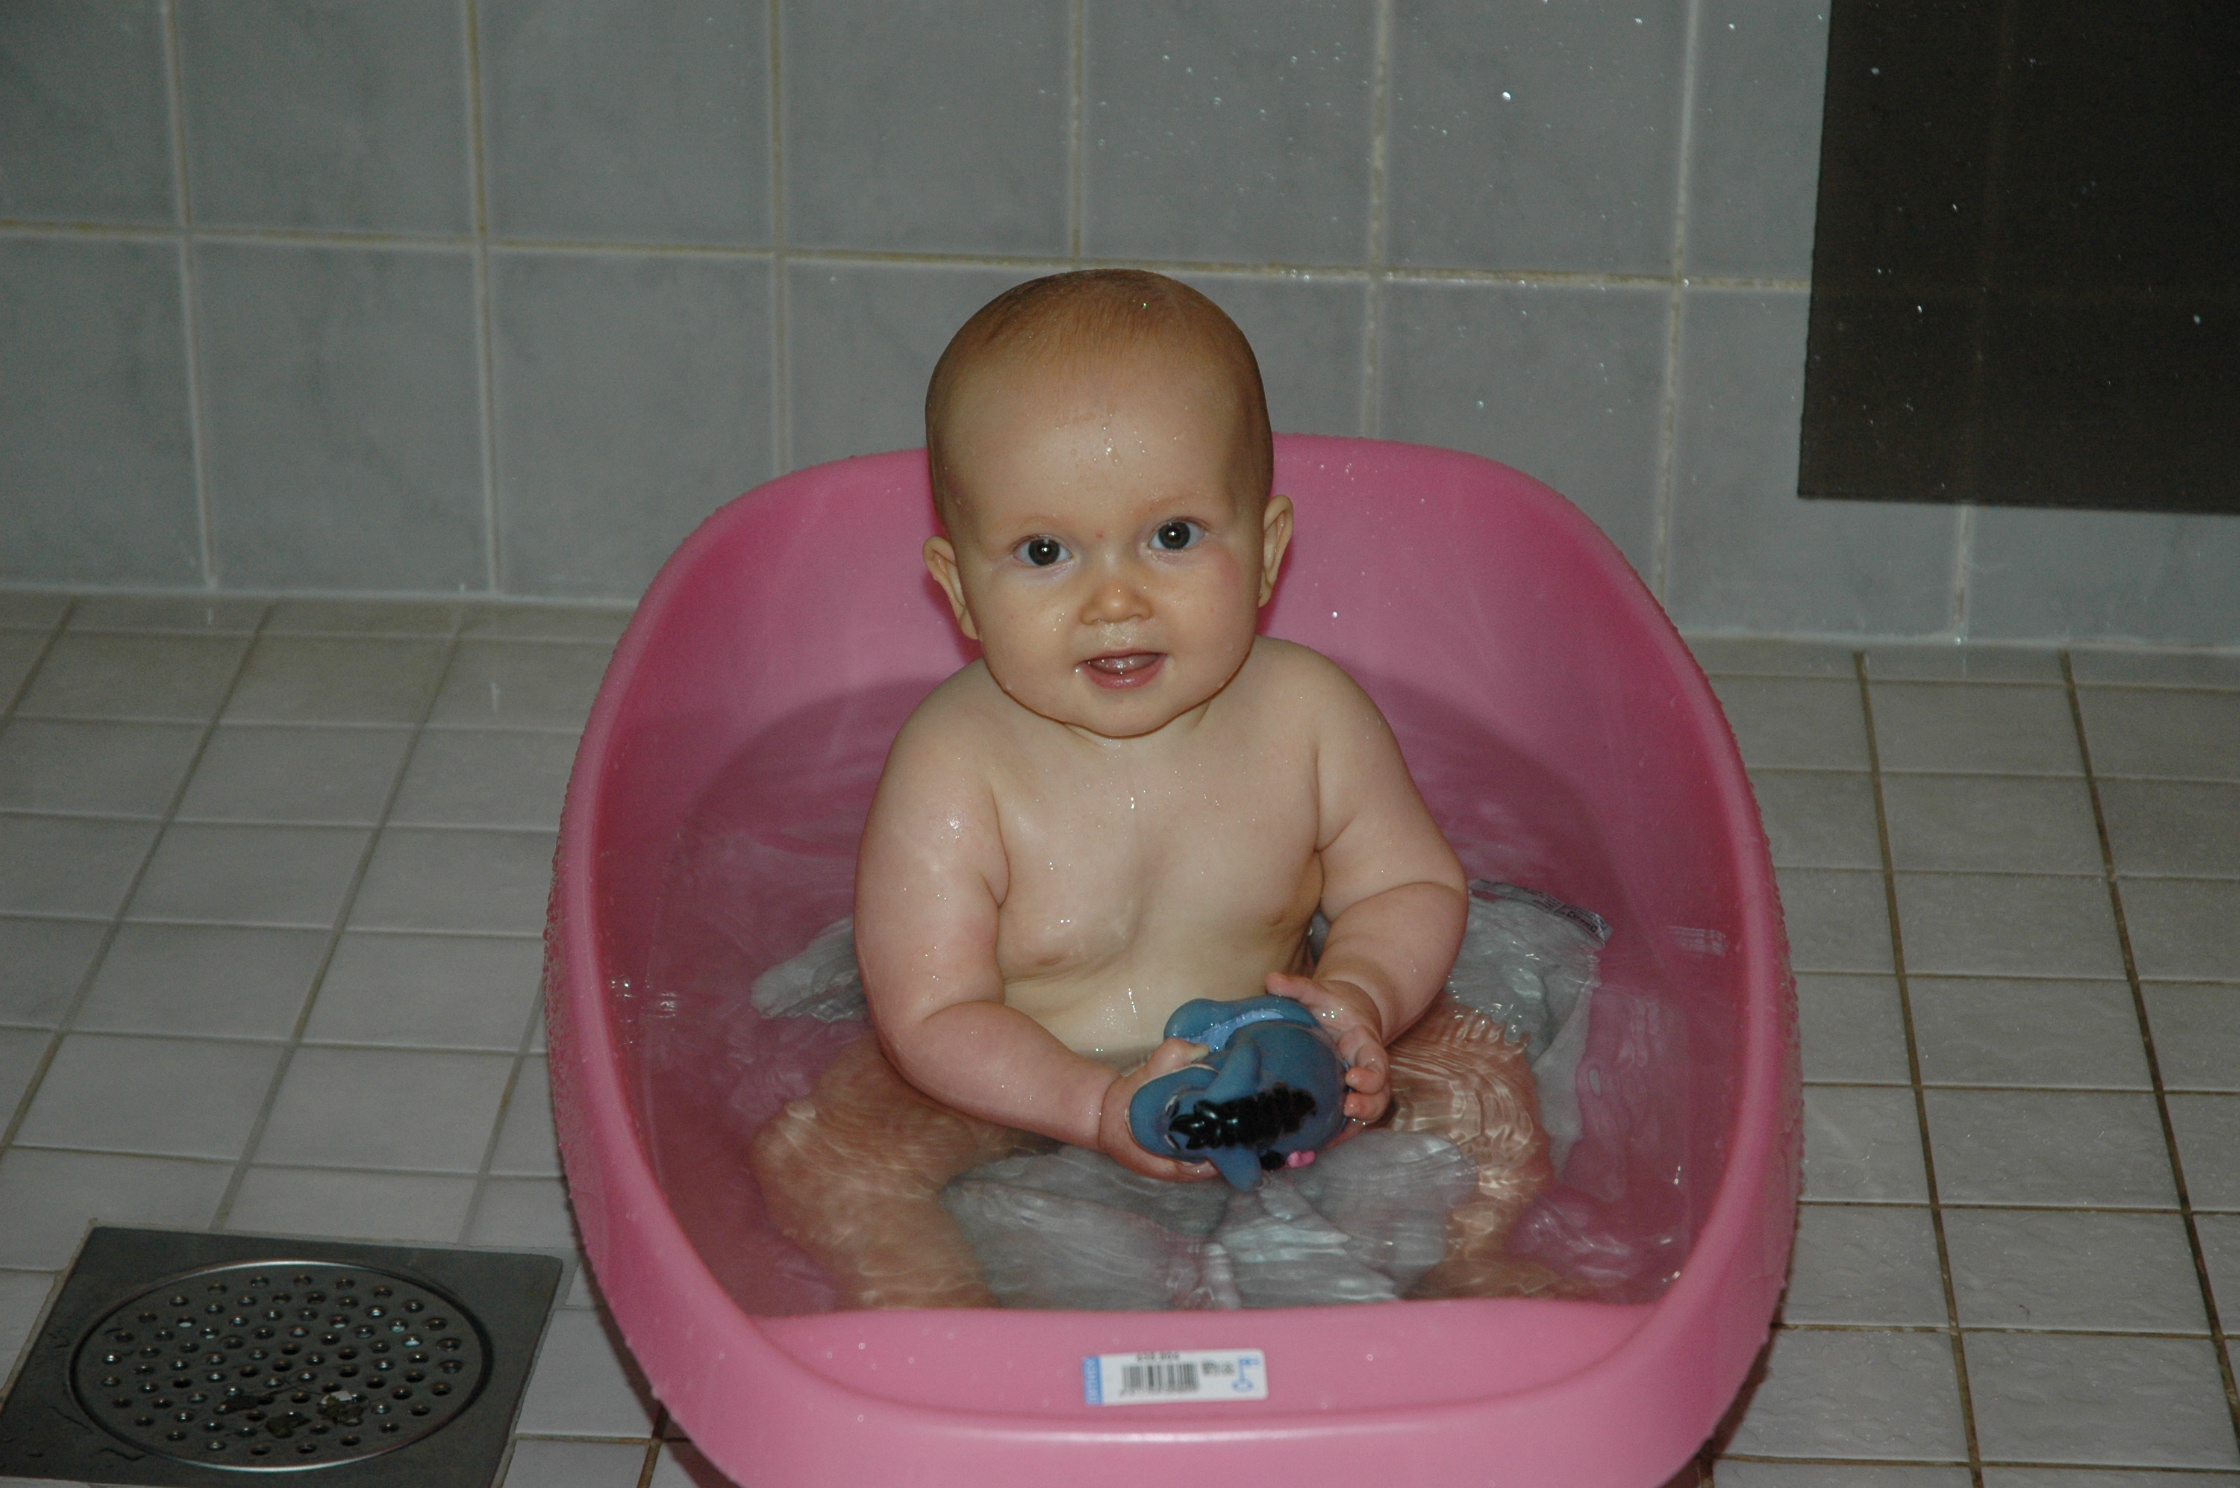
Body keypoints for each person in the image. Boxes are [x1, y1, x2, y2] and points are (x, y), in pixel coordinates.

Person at [750, 270, 1551, 1308]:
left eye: (1172, 536)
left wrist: (1360, 998)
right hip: (1015, 1079)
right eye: (1045, 551)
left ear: (1266, 553)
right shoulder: (954, 766)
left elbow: (1408, 886)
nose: (1115, 598)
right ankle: (941, 1312)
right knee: (821, 1158)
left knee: (1482, 1070)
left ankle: (1477, 1272)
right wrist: (1086, 1104)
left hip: (1283, 1056)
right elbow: (933, 1013)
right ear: (959, 592)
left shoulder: (1309, 717)